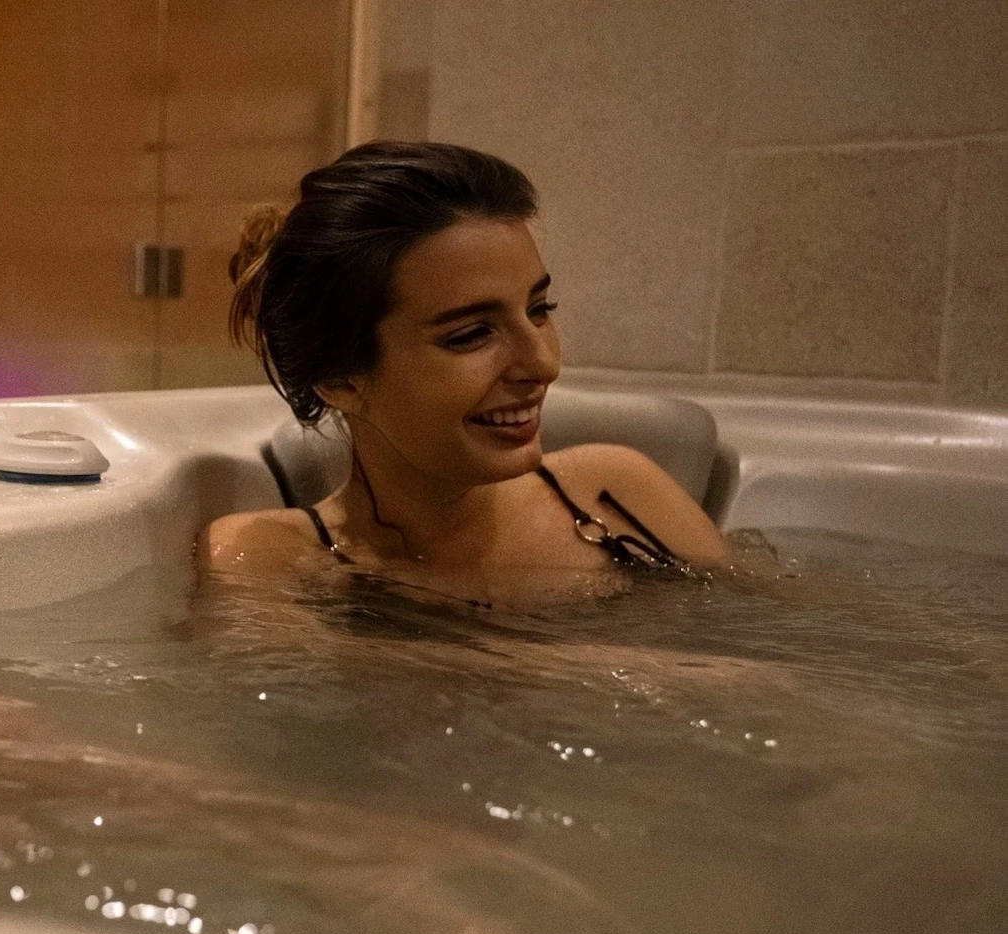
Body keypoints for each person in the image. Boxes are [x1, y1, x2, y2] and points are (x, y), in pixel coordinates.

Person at [200, 142, 727, 608]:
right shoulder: (269, 560)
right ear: (339, 378)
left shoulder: (615, 491)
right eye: (472, 334)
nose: (543, 363)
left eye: (540, 308)